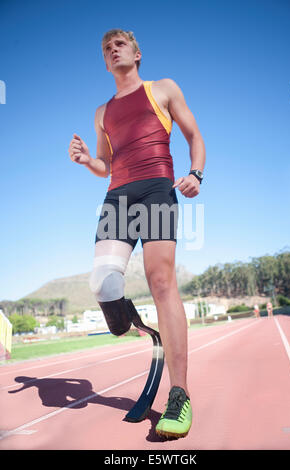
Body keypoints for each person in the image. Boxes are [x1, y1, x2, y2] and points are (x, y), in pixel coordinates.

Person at [68, 29, 206, 439]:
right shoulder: (102, 112)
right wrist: (86, 160)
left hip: (157, 188)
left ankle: (178, 395)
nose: (113, 50)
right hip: (117, 196)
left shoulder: (162, 88)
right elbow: (105, 166)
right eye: (106, 49)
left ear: (136, 53)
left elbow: (194, 136)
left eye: (119, 45)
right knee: (103, 284)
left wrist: (196, 173)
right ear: (105, 62)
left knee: (161, 281)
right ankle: (141, 327)